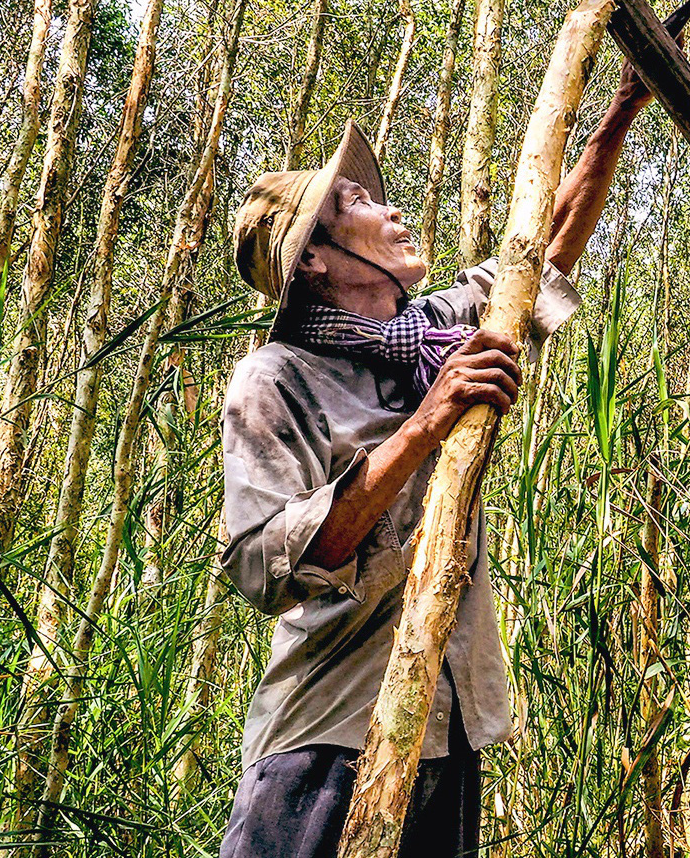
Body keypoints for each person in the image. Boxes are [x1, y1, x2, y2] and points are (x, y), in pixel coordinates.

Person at [216, 58, 654, 858]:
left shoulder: (430, 336)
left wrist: (619, 115)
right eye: (357, 204)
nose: (389, 211)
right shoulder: (274, 379)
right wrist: (424, 424)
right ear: (311, 260)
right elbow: (263, 566)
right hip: (327, 734)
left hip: (447, 728)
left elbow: (542, 255)